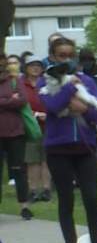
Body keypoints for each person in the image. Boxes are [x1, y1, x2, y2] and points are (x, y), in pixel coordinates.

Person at [40, 37, 97, 243]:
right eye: (62, 55)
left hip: (84, 148)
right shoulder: (46, 81)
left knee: (91, 199)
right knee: (66, 201)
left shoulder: (88, 81)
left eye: (71, 55)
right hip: (58, 149)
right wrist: (70, 86)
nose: (67, 59)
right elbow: (53, 106)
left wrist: (85, 109)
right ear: (52, 57)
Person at [0, 60, 31, 220]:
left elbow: (22, 100)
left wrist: (7, 102)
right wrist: (10, 100)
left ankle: (24, 206)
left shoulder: (14, 80)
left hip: (15, 133)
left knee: (19, 170)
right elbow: (15, 101)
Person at [19, 58, 50, 203]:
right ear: (26, 68)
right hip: (30, 127)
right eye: (32, 65)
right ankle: (33, 190)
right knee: (32, 160)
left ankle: (46, 189)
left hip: (48, 125)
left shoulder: (47, 82)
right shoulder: (21, 84)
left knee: (46, 159)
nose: (35, 68)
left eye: (38, 65)